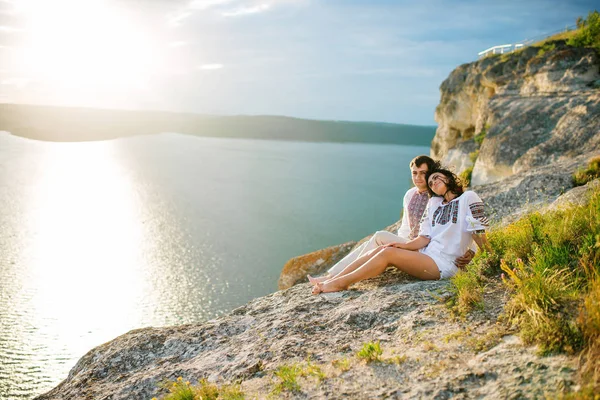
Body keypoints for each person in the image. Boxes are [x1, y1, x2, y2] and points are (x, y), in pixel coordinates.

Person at [311, 167, 491, 294]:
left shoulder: (468, 197)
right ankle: (331, 280)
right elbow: (423, 238)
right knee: (384, 248)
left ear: (449, 179)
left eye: (437, 177)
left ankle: (341, 284)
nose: (433, 182)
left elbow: (477, 230)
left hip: (444, 264)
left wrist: (489, 256)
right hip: (427, 253)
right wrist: (401, 246)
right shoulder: (434, 203)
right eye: (430, 182)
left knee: (388, 253)